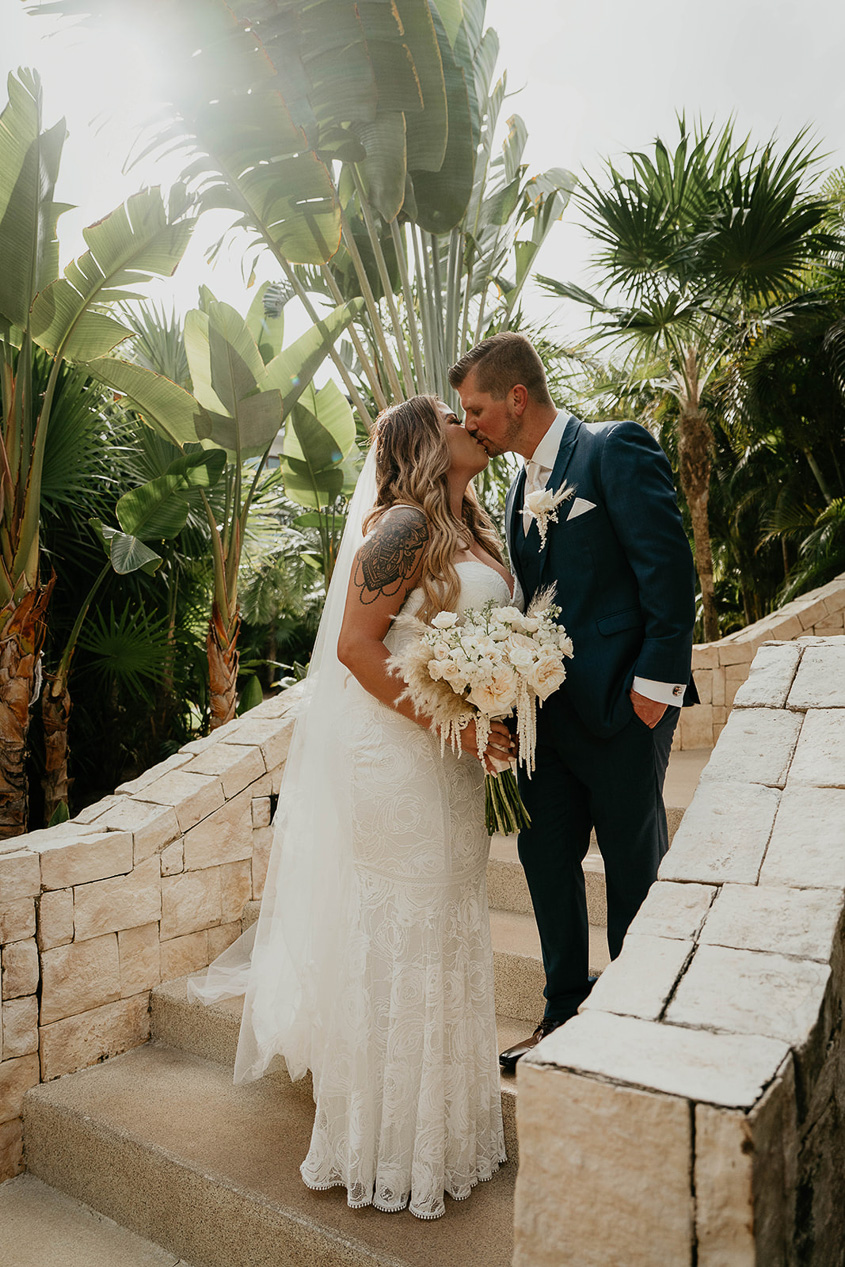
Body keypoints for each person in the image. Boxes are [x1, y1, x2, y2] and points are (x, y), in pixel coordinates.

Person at [189, 395, 517, 1220]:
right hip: (400, 759)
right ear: (418, 442)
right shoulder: (403, 527)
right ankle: (381, 1144)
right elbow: (355, 648)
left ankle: (442, 1133)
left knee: (448, 921)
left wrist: (500, 706)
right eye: (452, 415)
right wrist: (460, 724)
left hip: (454, 759)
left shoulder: (473, 527)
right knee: (403, 929)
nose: (469, 423)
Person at [448, 333, 697, 1072]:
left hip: (623, 710)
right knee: (543, 859)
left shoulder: (612, 449)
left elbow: (668, 569)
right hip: (544, 721)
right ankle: (561, 1013)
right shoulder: (515, 486)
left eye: (477, 408)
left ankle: (630, 1020)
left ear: (516, 398)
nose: (470, 424)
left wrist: (654, 690)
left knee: (631, 865)